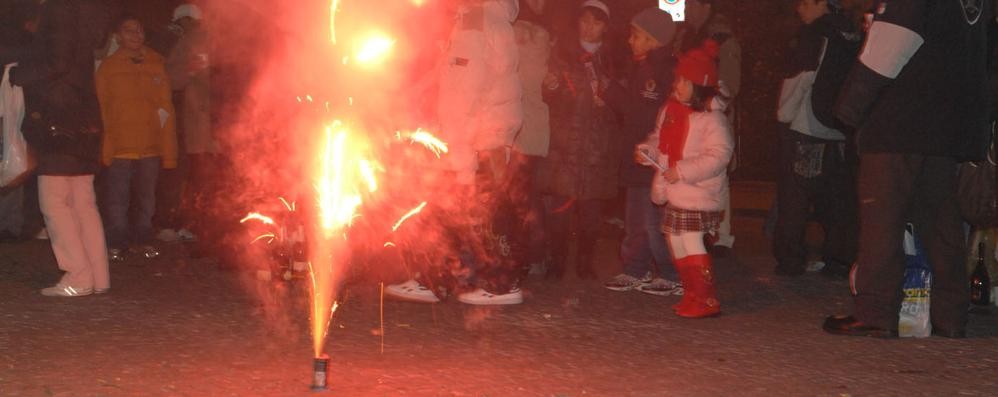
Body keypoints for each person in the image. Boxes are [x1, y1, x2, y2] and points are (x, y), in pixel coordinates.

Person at [823, 1, 990, 338]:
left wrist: (849, 109)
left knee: (881, 220)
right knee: (941, 220)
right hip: (945, 127)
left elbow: (888, 49)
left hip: (896, 125)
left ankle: (875, 312)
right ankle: (951, 314)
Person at [385, 0, 524, 305]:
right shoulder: (490, 17)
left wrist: (458, 156)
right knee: (469, 213)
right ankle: (449, 278)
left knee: (467, 211)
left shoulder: (475, 22)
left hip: (476, 136)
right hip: (489, 132)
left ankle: (495, 285)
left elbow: (462, 94)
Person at [10, 0, 112, 297]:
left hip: (60, 118)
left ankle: (78, 276)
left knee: (55, 202)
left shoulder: (60, 7)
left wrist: (21, 75)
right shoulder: (86, 8)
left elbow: (58, 61)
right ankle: (98, 274)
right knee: (82, 200)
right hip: (83, 116)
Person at [636, 41, 733, 318]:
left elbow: (719, 156)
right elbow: (659, 138)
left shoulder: (712, 119)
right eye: (677, 78)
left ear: (700, 84)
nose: (676, 84)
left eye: (683, 80)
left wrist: (683, 169)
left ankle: (706, 298)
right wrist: (648, 151)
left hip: (698, 192)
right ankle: (691, 292)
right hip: (675, 190)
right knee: (675, 242)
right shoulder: (671, 111)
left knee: (691, 240)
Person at [773, 0, 860, 278]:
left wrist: (783, 115)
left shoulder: (813, 34)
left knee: (795, 197)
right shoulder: (853, 33)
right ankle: (838, 259)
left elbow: (801, 78)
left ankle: (790, 259)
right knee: (837, 198)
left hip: (807, 125)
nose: (798, 8)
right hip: (839, 127)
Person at [600, 7, 680, 295]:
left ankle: (672, 273)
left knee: (652, 221)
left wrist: (609, 92)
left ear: (653, 39)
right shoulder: (645, 67)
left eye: (636, 36)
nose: (630, 41)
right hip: (640, 157)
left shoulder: (658, 72)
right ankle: (637, 268)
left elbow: (642, 115)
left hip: (650, 158)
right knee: (636, 220)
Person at [536, 0, 618, 280]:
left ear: (605, 26)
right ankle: (556, 261)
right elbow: (549, 95)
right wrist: (551, 86)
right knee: (559, 210)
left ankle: (585, 263)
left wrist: (607, 99)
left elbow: (622, 105)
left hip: (597, 148)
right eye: (584, 21)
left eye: (595, 22)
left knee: (591, 213)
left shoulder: (613, 60)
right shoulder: (562, 54)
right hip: (566, 145)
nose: (589, 27)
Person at [96, 16, 178, 262]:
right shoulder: (109, 67)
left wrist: (168, 147)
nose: (135, 34)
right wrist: (105, 143)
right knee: (117, 200)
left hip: (150, 145)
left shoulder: (156, 63)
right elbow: (102, 108)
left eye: (139, 30)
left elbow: (167, 108)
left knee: (146, 199)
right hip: (121, 145)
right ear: (118, 37)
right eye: (129, 30)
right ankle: (116, 242)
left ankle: (142, 240)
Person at [675, 0, 741, 257]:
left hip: (712, 117)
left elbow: (731, 85)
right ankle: (698, 229)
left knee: (717, 177)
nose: (687, 9)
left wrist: (710, 99)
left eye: (692, 4)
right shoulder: (686, 35)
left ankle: (721, 235)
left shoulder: (723, 40)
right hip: (687, 117)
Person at [162, 3, 212, 243]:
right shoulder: (218, 40)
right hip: (213, 127)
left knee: (197, 175)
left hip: (202, 126)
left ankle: (195, 224)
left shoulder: (192, 40)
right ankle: (205, 226)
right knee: (204, 175)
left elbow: (171, 78)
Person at [509, 0, 552, 276]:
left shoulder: (520, 35)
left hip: (520, 130)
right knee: (527, 196)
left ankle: (528, 254)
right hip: (532, 130)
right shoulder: (545, 37)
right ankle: (532, 255)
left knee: (521, 197)